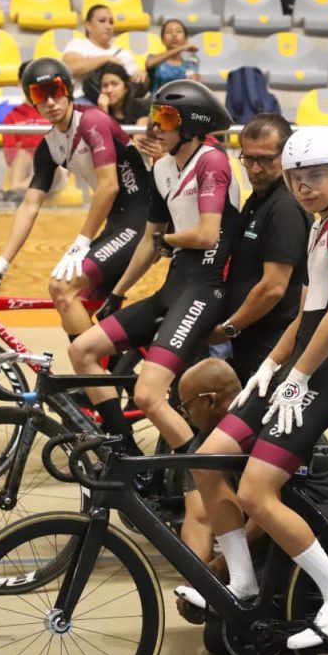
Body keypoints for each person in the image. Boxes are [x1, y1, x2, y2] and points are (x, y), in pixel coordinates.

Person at [185, 126, 328, 650]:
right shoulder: (321, 226)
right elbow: (306, 312)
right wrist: (271, 367)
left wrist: (296, 378)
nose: (304, 187)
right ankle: (243, 581)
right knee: (207, 459)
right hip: (298, 370)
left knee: (254, 490)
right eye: (297, 178)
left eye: (316, 176)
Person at [67, 80, 240, 457]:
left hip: (204, 291)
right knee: (82, 351)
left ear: (192, 125)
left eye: (165, 117)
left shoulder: (212, 161)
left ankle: (200, 477)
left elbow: (208, 235)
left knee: (147, 394)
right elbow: (149, 240)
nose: (154, 127)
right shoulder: (162, 167)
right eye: (153, 116)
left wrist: (168, 243)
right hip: (174, 288)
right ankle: (123, 450)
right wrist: (117, 293)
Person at [0, 58, 151, 349]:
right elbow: (29, 206)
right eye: (41, 95)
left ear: (67, 90)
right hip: (118, 224)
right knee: (78, 307)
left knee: (61, 287)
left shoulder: (92, 121)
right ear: (32, 101)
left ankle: (92, 381)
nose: (51, 101)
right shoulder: (49, 147)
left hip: (140, 222)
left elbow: (108, 186)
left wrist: (81, 242)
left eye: (55, 91)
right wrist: (1, 262)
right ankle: (106, 376)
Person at [175, 357, 328, 619]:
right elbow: (198, 518)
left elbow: (266, 509)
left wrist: (219, 568)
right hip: (276, 538)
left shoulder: (275, 422)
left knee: (268, 616)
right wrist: (197, 575)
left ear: (209, 400)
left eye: (186, 407)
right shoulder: (203, 446)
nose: (186, 416)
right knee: (224, 635)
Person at [208, 113, 311, 386]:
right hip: (251, 340)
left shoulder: (285, 207)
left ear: (287, 154)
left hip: (272, 345)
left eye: (266, 159)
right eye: (249, 158)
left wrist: (229, 328)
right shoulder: (258, 199)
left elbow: (273, 287)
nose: (255, 169)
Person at [0, 62, 51, 209]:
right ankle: (15, 196)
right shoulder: (12, 116)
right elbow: (10, 153)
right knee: (21, 155)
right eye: (30, 79)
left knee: (51, 161)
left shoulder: (53, 110)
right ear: (20, 83)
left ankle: (10, 194)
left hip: (55, 172)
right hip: (26, 170)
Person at [63, 5, 147, 102]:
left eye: (111, 22)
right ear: (88, 25)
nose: (108, 26)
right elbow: (73, 67)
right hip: (83, 99)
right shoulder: (77, 44)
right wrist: (105, 59)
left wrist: (141, 75)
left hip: (116, 104)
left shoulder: (123, 53)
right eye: (102, 21)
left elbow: (132, 84)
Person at [145, 19, 200, 95]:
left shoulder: (190, 62)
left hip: (181, 105)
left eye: (179, 31)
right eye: (169, 32)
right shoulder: (154, 58)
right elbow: (149, 63)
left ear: (186, 38)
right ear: (162, 40)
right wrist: (182, 47)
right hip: (157, 104)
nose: (174, 35)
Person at [96, 61, 151, 126]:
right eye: (105, 85)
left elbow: (140, 135)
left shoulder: (139, 107)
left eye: (115, 84)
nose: (109, 90)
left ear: (126, 87)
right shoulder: (96, 111)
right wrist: (103, 112)